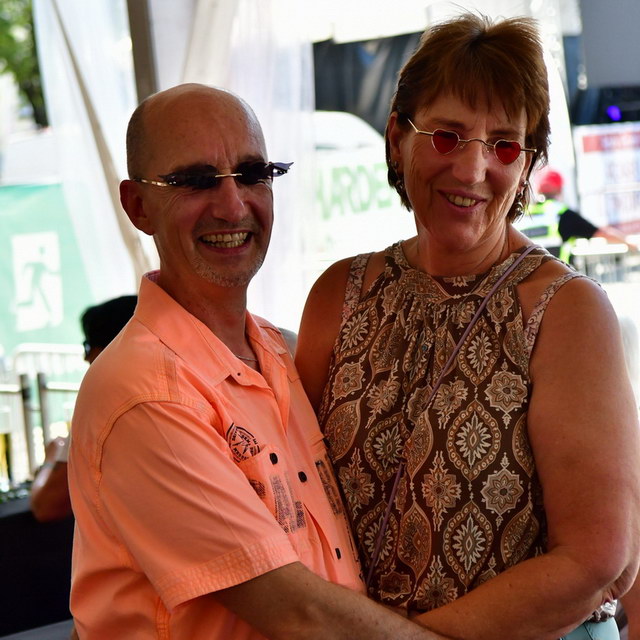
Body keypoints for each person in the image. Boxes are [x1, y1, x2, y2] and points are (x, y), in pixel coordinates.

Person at [295, 13, 640, 640]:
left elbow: (595, 560)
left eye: (504, 144)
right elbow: (293, 500)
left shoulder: (564, 311)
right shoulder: (338, 295)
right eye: (448, 136)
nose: (473, 169)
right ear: (397, 137)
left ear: (527, 166)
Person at [67, 83, 449, 640]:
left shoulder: (278, 351)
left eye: (252, 174)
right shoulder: (146, 391)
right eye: (196, 181)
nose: (232, 206)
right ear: (138, 206)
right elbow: (299, 613)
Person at [30, 295, 137, 522]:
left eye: (87, 346)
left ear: (109, 346)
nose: (85, 357)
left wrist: (51, 457)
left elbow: (46, 505)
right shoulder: (187, 385)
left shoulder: (105, 400)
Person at [517, 167, 637, 262]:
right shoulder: (561, 213)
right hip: (559, 278)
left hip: (528, 281)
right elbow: (601, 233)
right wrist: (630, 244)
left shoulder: (524, 213)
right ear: (560, 189)